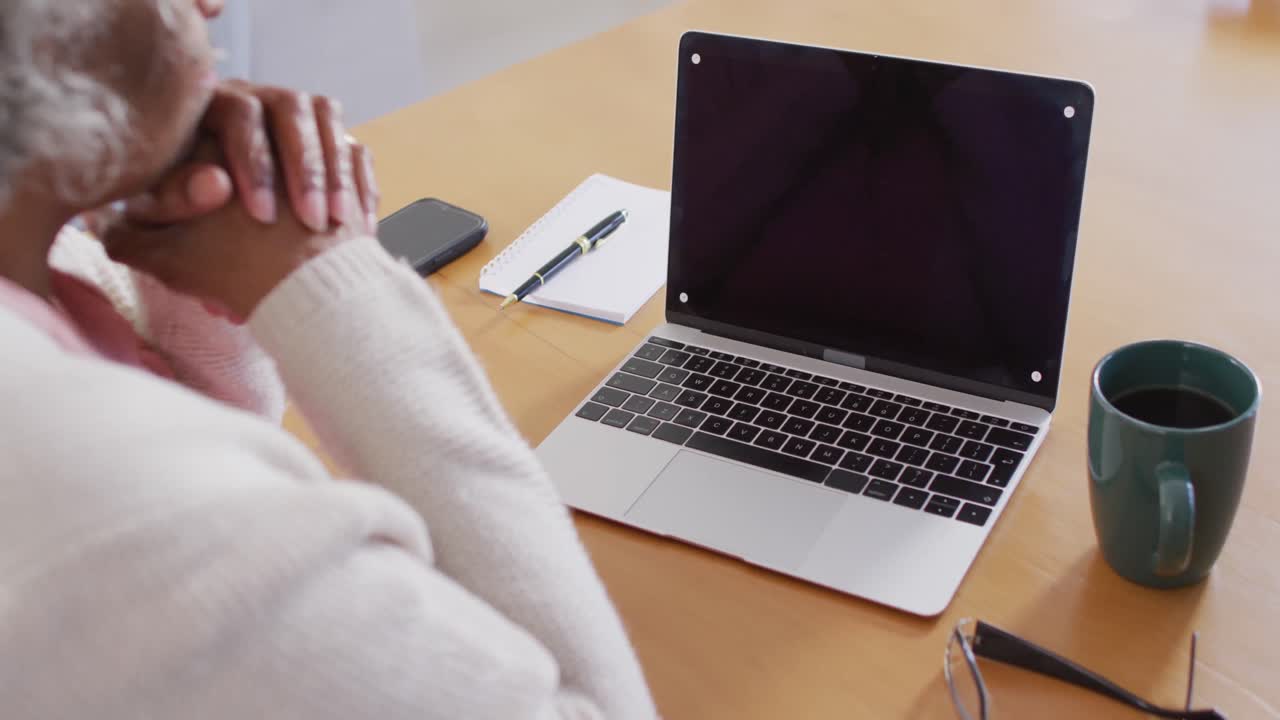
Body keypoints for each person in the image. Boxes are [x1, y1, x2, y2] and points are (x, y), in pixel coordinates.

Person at [0, 2, 657, 719]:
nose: (212, 5)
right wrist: (330, 280)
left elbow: (216, 439)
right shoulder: (138, 520)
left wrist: (198, 258)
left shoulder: (42, 259)